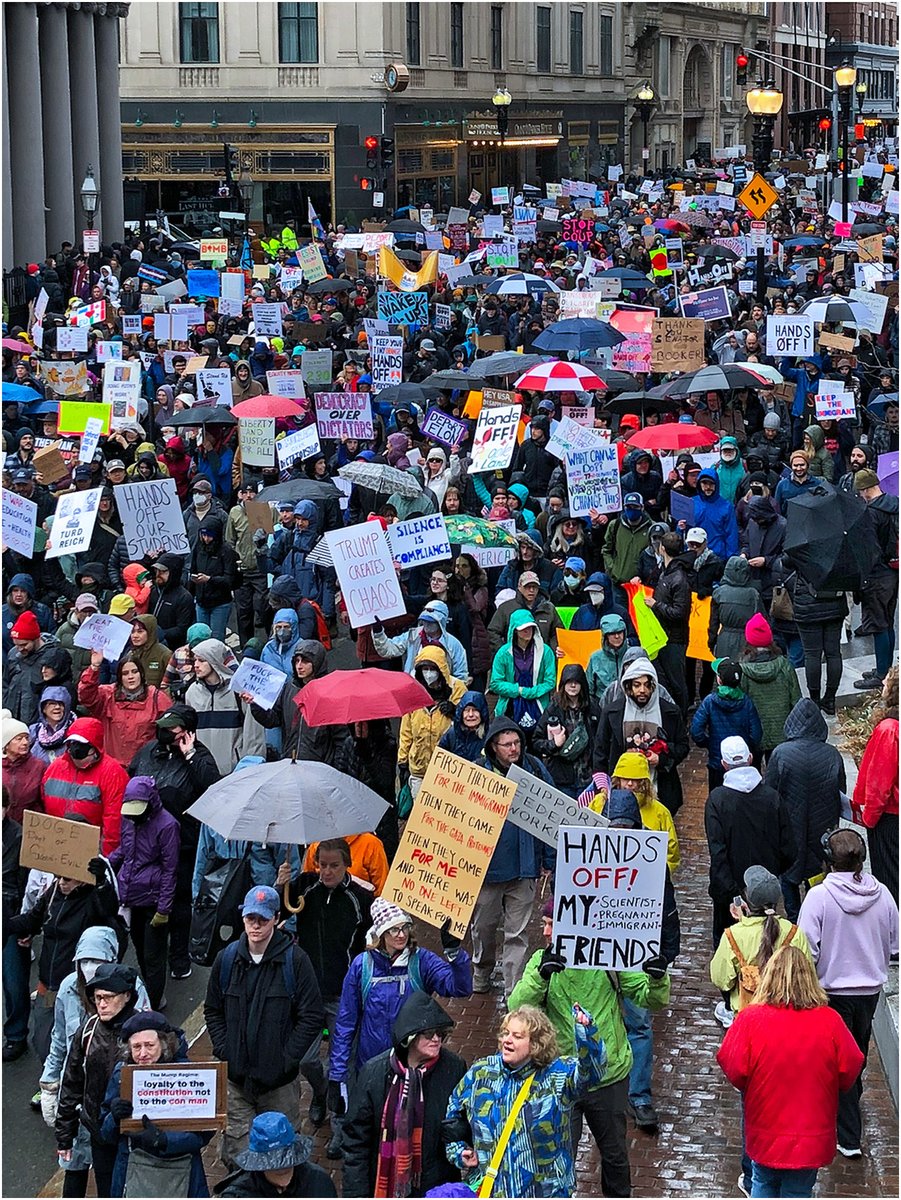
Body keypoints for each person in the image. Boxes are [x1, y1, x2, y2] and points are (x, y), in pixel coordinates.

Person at [327, 899, 472, 1160]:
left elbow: (460, 987)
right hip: (372, 1071)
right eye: (394, 929)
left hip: (417, 1070)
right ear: (380, 932)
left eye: (405, 927)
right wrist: (338, 1076)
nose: (401, 934)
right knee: (375, 1137)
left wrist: (454, 953)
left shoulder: (422, 961)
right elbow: (346, 1023)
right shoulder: (362, 966)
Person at [716, 945, 865, 1199]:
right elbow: (851, 1067)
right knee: (799, 1190)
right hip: (811, 1134)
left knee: (762, 1183)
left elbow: (733, 1067)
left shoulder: (751, 1019)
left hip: (764, 1128)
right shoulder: (830, 1021)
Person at [204, 884, 326, 1169]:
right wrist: (225, 1049)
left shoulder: (295, 961)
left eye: (263, 919)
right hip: (236, 1083)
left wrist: (287, 1059)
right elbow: (213, 1009)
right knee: (238, 1156)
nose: (255, 925)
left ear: (276, 919)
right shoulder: (226, 960)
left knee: (281, 1158)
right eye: (250, 919)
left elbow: (311, 1016)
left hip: (279, 1087)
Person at [798, 828, 899, 1158]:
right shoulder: (882, 894)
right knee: (855, 1054)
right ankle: (844, 1118)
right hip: (869, 992)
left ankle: (848, 1135)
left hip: (832, 992)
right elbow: (895, 943)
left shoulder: (818, 898)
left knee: (837, 1061)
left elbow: (806, 950)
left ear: (829, 863)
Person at [443, 1004, 608, 1198]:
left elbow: (593, 1073)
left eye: (517, 1036)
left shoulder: (557, 1076)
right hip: (492, 1192)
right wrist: (458, 1150)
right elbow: (452, 1115)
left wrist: (587, 1033)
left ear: (537, 1044)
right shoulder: (481, 1073)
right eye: (505, 1033)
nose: (507, 1040)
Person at [38, 928, 151, 1195]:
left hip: (129, 1128)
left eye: (96, 961)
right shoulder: (71, 996)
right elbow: (62, 1047)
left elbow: (162, 1059)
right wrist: (49, 1082)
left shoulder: (140, 1024)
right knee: (76, 1170)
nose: (101, 1003)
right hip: (90, 1119)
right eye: (97, 997)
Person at [276, 839, 374, 1130]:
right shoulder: (305, 886)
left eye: (334, 866)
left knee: (341, 1063)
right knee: (305, 1059)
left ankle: (340, 1126)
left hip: (343, 993)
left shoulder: (360, 899)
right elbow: (277, 910)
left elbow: (372, 940)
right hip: (307, 994)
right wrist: (280, 883)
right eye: (322, 865)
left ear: (347, 865)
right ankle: (319, 1093)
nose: (326, 872)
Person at [342, 993, 467, 1198]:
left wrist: (459, 1138)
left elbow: (464, 1123)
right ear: (409, 1036)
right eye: (428, 1033)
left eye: (440, 1033)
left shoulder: (454, 1068)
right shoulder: (373, 1073)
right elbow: (356, 1142)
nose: (436, 1039)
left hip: (436, 1185)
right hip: (385, 1183)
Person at [471, 719, 555, 994]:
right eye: (507, 744)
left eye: (517, 742)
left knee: (517, 933)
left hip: (524, 866)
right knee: (484, 927)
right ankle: (481, 970)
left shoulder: (535, 769)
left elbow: (550, 815)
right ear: (493, 747)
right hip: (488, 869)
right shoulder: (478, 773)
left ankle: (513, 989)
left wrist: (549, 860)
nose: (514, 748)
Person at [99, 1010, 213, 1197]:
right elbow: (105, 1133)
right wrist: (114, 1117)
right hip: (132, 1170)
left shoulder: (189, 1075)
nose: (142, 1053)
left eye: (149, 1045)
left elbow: (204, 1133)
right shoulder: (122, 1076)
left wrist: (165, 1140)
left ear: (164, 1044)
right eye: (136, 1047)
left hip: (181, 1170)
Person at [55, 964, 142, 1198]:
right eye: (97, 998)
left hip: (136, 1132)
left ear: (126, 996)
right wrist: (65, 1135)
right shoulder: (88, 1031)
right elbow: (71, 1084)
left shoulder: (145, 1030)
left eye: (108, 997)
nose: (101, 1004)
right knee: (107, 1190)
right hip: (99, 1132)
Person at [766, 698, 845, 921]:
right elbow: (841, 791)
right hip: (822, 827)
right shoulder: (832, 754)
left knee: (788, 873)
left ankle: (793, 918)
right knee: (817, 873)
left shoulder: (781, 753)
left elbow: (770, 792)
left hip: (789, 825)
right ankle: (814, 919)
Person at [108, 777, 179, 1011]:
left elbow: (170, 869)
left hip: (154, 899)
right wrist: (105, 864)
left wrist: (164, 909)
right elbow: (124, 851)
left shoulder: (168, 825)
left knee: (153, 956)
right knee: (139, 949)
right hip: (131, 897)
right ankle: (148, 995)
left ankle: (154, 1004)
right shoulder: (128, 820)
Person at [594, 658, 689, 817]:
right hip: (621, 791)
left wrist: (661, 759)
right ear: (629, 686)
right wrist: (603, 785)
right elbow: (600, 749)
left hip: (658, 788)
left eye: (646, 685)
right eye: (637, 685)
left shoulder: (670, 712)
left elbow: (682, 746)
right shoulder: (613, 712)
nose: (642, 690)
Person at [41, 717, 128, 855]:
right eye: (72, 743)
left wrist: (105, 859)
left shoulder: (113, 773)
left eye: (81, 744)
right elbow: (43, 806)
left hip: (92, 850)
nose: (76, 749)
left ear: (94, 747)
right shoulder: (55, 768)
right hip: (56, 847)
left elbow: (114, 823)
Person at [186, 639, 266, 774]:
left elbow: (254, 736)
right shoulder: (192, 692)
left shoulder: (240, 692)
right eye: (195, 660)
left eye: (201, 660)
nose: (196, 665)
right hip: (202, 774)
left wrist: (250, 769)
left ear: (215, 661)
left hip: (234, 773)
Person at [853, 666, 899, 901]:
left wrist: (869, 819)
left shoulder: (889, 730)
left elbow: (880, 784)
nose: (883, 682)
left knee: (890, 876)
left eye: (888, 680)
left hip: (891, 817)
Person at [397, 646, 467, 800]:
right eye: (425, 669)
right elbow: (406, 730)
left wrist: (455, 712)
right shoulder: (413, 691)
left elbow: (470, 724)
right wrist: (402, 760)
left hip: (448, 771)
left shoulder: (457, 689)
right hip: (419, 769)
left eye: (432, 668)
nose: (428, 673)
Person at [76, 652, 172, 764]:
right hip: (112, 766)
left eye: (134, 672)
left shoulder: (157, 698)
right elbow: (86, 696)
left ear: (141, 674)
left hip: (144, 767)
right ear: (120, 677)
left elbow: (171, 728)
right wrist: (94, 667)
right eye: (125, 673)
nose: (130, 677)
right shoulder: (107, 695)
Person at [852, 468, 899, 690]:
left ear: (866, 489)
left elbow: (868, 549)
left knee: (879, 625)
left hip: (876, 575)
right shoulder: (894, 504)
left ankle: (880, 676)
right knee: (888, 623)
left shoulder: (871, 513)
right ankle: (887, 669)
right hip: (892, 571)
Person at [217, 1110, 337, 1198]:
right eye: (272, 1163)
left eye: (286, 1160)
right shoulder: (238, 1195)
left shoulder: (318, 1182)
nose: (281, 1168)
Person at [691, 659, 763, 790]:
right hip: (742, 764)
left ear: (719, 680)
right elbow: (756, 735)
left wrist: (709, 743)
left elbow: (696, 731)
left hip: (718, 763)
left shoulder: (710, 702)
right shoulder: (747, 702)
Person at [532, 664, 600, 797]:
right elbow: (536, 741)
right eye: (569, 682)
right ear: (563, 684)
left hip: (588, 778)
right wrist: (554, 744)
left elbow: (601, 740)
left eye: (576, 682)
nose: (573, 686)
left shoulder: (593, 708)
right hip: (562, 778)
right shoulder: (554, 708)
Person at [740, 615, 802, 758]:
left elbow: (740, 703)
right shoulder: (785, 666)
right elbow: (796, 700)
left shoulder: (743, 671)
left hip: (752, 733)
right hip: (781, 734)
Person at [644, 531, 692, 714]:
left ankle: (681, 717)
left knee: (677, 682)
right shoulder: (668, 572)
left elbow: (679, 612)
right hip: (663, 636)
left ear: (662, 548)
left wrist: (657, 605)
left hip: (673, 639)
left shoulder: (678, 578)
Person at [489, 610, 556, 735]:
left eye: (530, 627)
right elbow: (495, 683)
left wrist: (532, 692)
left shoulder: (546, 652)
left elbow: (550, 681)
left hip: (539, 707)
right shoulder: (503, 653)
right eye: (523, 628)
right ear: (514, 630)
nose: (527, 631)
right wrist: (518, 690)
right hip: (510, 709)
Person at [372, 599, 469, 680]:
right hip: (413, 690)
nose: (426, 624)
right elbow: (388, 649)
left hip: (441, 694)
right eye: (424, 620)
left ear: (441, 622)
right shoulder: (412, 636)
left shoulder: (453, 645)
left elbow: (461, 676)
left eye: (431, 621)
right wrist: (378, 633)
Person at [709, 557, 762, 661]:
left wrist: (712, 641)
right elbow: (761, 621)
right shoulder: (753, 594)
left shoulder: (719, 593)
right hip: (747, 641)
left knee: (723, 672)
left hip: (724, 640)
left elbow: (713, 623)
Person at [437, 690, 490, 763]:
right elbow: (439, 761)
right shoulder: (451, 735)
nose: (470, 714)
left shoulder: (491, 736)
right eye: (467, 710)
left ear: (482, 713)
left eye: (475, 710)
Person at [586, 614, 629, 703]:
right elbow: (589, 689)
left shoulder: (632, 655)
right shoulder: (595, 658)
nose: (617, 636)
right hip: (602, 706)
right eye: (612, 633)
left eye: (620, 632)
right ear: (605, 636)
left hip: (629, 706)